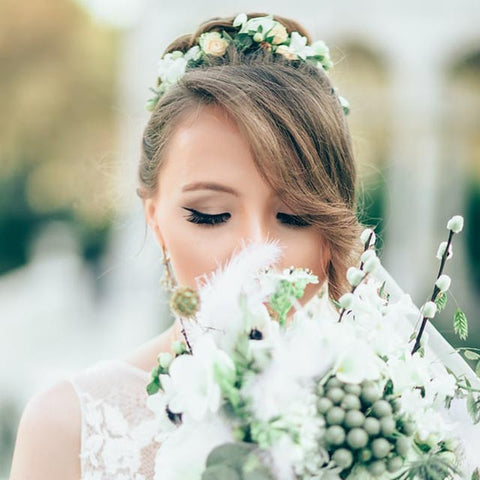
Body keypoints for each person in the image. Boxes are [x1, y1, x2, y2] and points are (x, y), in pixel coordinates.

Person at [8, 11, 377, 479]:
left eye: (294, 217)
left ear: (333, 230)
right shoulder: (69, 428)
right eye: (210, 215)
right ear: (156, 221)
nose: (253, 252)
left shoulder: (389, 417)